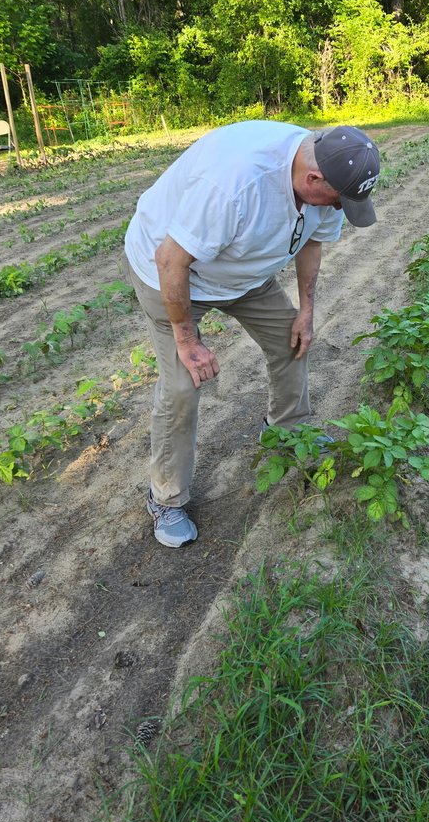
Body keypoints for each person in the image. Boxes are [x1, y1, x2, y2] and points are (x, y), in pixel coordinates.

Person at [124, 121, 380, 548]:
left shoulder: (323, 173)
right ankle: (166, 498)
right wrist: (187, 341)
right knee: (183, 387)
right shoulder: (236, 184)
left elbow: (313, 241)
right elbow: (171, 259)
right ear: (312, 179)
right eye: (337, 201)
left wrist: (306, 313)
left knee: (291, 339)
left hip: (244, 272)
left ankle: (286, 430)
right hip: (170, 272)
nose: (339, 210)